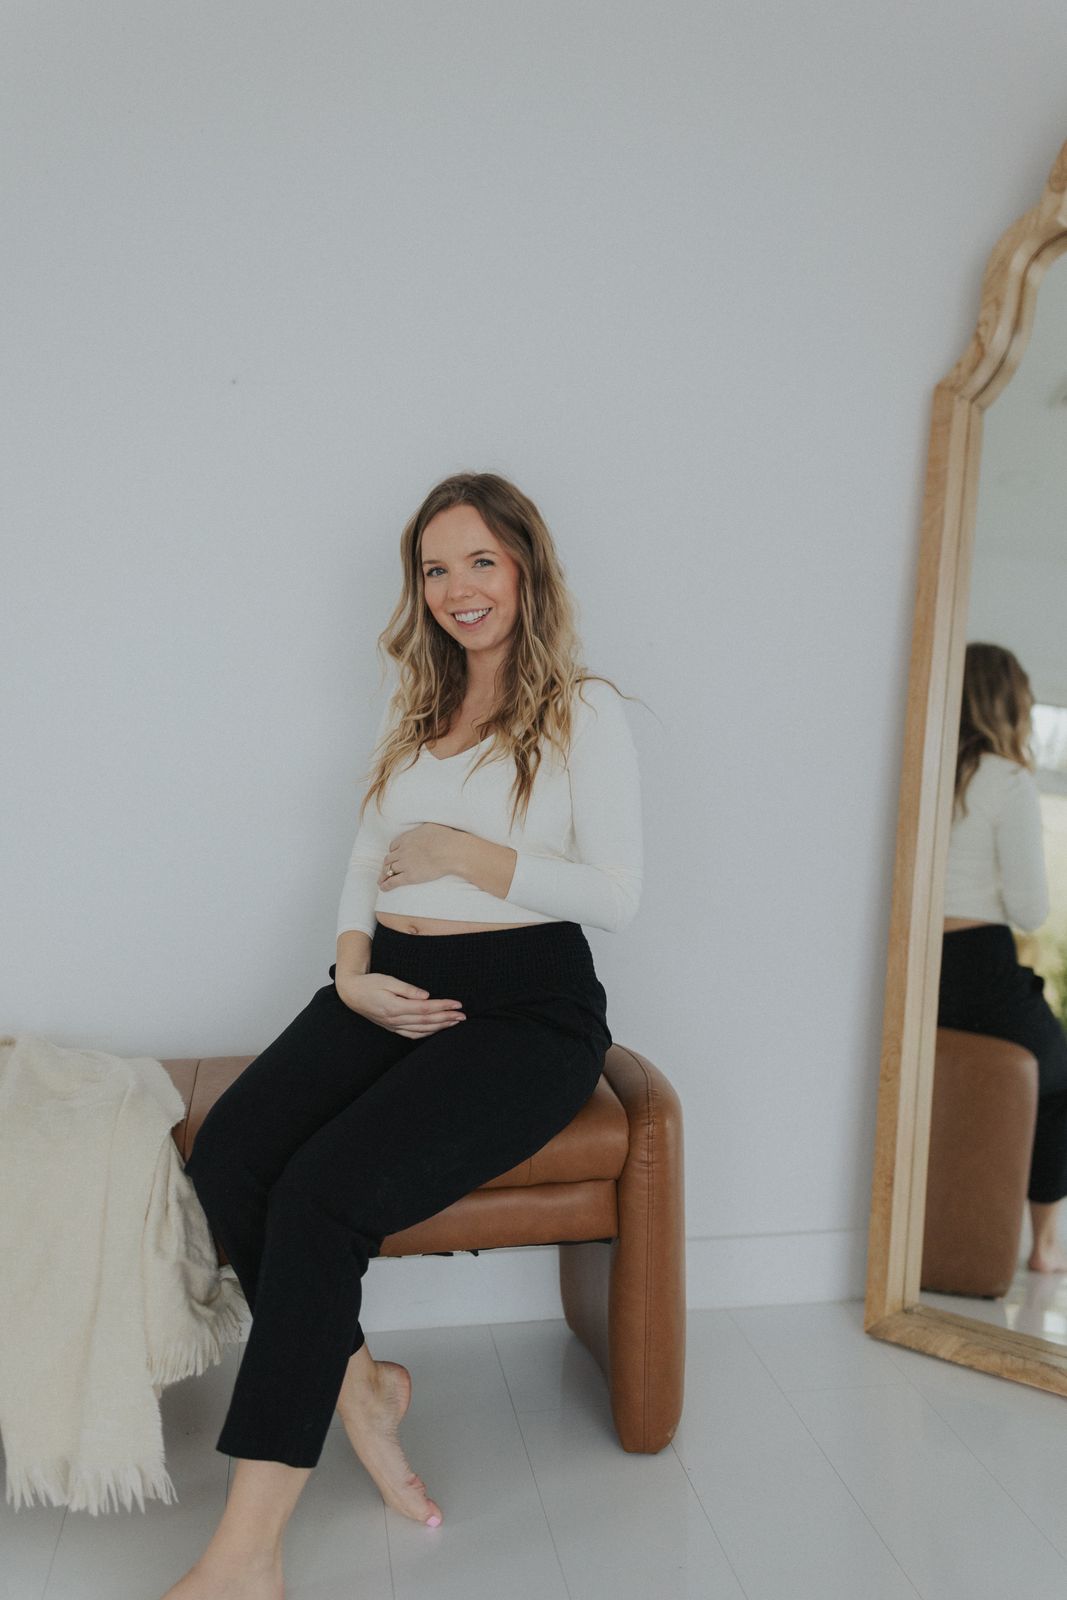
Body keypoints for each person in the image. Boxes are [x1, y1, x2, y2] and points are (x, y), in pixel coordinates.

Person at [163, 472, 643, 1600]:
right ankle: (362, 1384)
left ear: (525, 565)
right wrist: (353, 968)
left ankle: (246, 1556)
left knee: (321, 1193)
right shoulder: (413, 704)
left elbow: (616, 893)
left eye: (479, 560)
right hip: (389, 980)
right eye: (434, 568)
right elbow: (362, 850)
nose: (456, 589)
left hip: (525, 1005)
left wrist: (465, 857)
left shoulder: (584, 707)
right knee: (229, 1153)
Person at [938, 640, 1067, 1277]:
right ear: (1008, 703)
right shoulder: (1007, 779)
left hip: (920, 972)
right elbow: (1030, 909)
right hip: (979, 967)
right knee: (1061, 1074)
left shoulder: (925, 767)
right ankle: (1043, 1246)